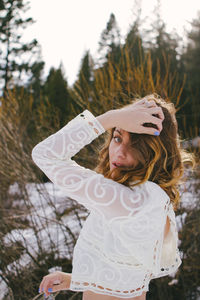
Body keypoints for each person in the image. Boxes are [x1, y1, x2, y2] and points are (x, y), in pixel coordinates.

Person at [32, 94, 192, 300]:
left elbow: (45, 154)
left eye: (137, 145)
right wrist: (74, 280)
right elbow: (126, 271)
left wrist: (112, 117)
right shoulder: (152, 198)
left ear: (156, 153)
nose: (119, 152)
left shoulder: (130, 201)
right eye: (117, 138)